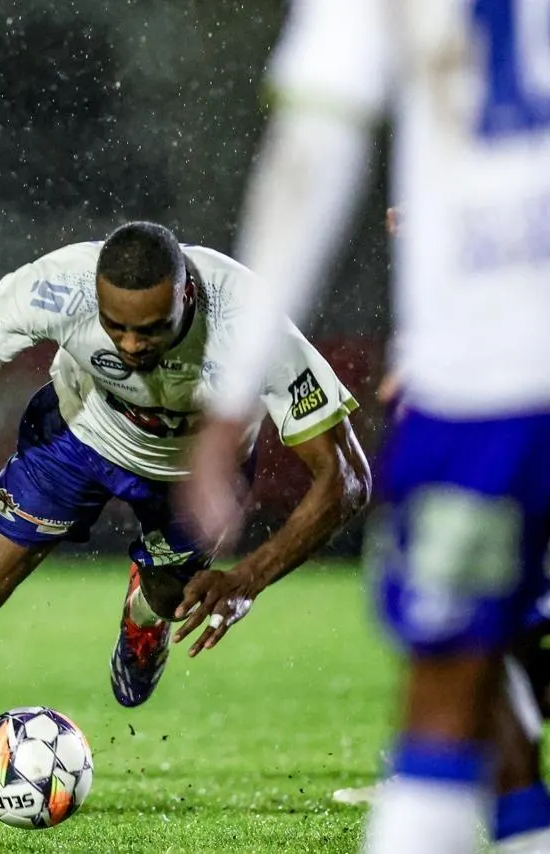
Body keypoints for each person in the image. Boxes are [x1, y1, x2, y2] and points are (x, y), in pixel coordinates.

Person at [180, 1, 550, 851]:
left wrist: (231, 398)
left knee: (451, 689)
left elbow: (311, 154)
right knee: (494, 683)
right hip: (486, 372)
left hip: (486, 383)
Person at [0, 221, 372, 735]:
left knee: (169, 598)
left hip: (193, 479)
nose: (130, 346)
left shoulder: (251, 324)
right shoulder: (60, 286)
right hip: (73, 445)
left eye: (150, 330)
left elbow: (346, 477)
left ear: (186, 297)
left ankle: (146, 612)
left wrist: (247, 578)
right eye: (117, 328)